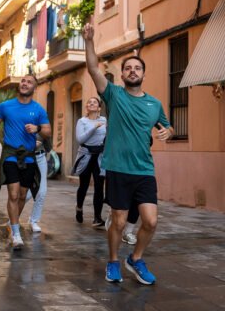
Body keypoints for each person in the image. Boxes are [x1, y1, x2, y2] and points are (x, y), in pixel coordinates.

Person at [83, 22, 174, 285]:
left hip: (144, 169)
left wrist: (168, 131)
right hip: (118, 168)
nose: (132, 71)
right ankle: (113, 261)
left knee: (151, 221)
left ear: (144, 74)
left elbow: (167, 126)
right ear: (121, 75)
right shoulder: (114, 95)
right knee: (120, 222)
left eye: (137, 68)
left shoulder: (154, 104)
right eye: (128, 68)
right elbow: (92, 68)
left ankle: (135, 258)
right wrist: (89, 42)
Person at [0, 74, 51, 249]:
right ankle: (16, 233)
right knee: (13, 194)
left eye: (29, 82)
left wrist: (37, 128)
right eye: (23, 81)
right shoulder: (5, 106)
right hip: (10, 154)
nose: (25, 83)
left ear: (34, 88)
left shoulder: (38, 109)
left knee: (23, 195)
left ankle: (12, 223)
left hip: (29, 158)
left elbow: (47, 131)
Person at [72, 97, 107, 228]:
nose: (91, 103)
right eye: (89, 102)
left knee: (99, 186)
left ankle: (97, 217)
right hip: (86, 155)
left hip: (100, 156)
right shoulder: (82, 121)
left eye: (94, 102)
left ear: (99, 107)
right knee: (84, 185)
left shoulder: (104, 120)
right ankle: (79, 207)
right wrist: (94, 127)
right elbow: (80, 139)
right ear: (86, 107)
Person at [24, 134, 50, 233]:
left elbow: (47, 136)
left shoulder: (41, 120)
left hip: (40, 157)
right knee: (25, 194)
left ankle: (34, 221)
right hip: (26, 158)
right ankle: (13, 218)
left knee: (42, 191)